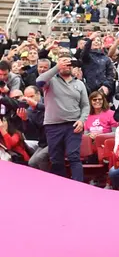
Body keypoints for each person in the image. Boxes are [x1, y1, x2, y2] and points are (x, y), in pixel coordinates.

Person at [36, 53, 89, 182]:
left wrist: (82, 121)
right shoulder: (50, 81)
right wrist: (56, 68)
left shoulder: (80, 84)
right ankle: (61, 187)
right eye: (63, 63)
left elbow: (86, 105)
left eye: (68, 63)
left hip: (73, 125)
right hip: (53, 125)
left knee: (74, 157)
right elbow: (39, 81)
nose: (66, 65)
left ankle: (78, 187)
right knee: (56, 159)